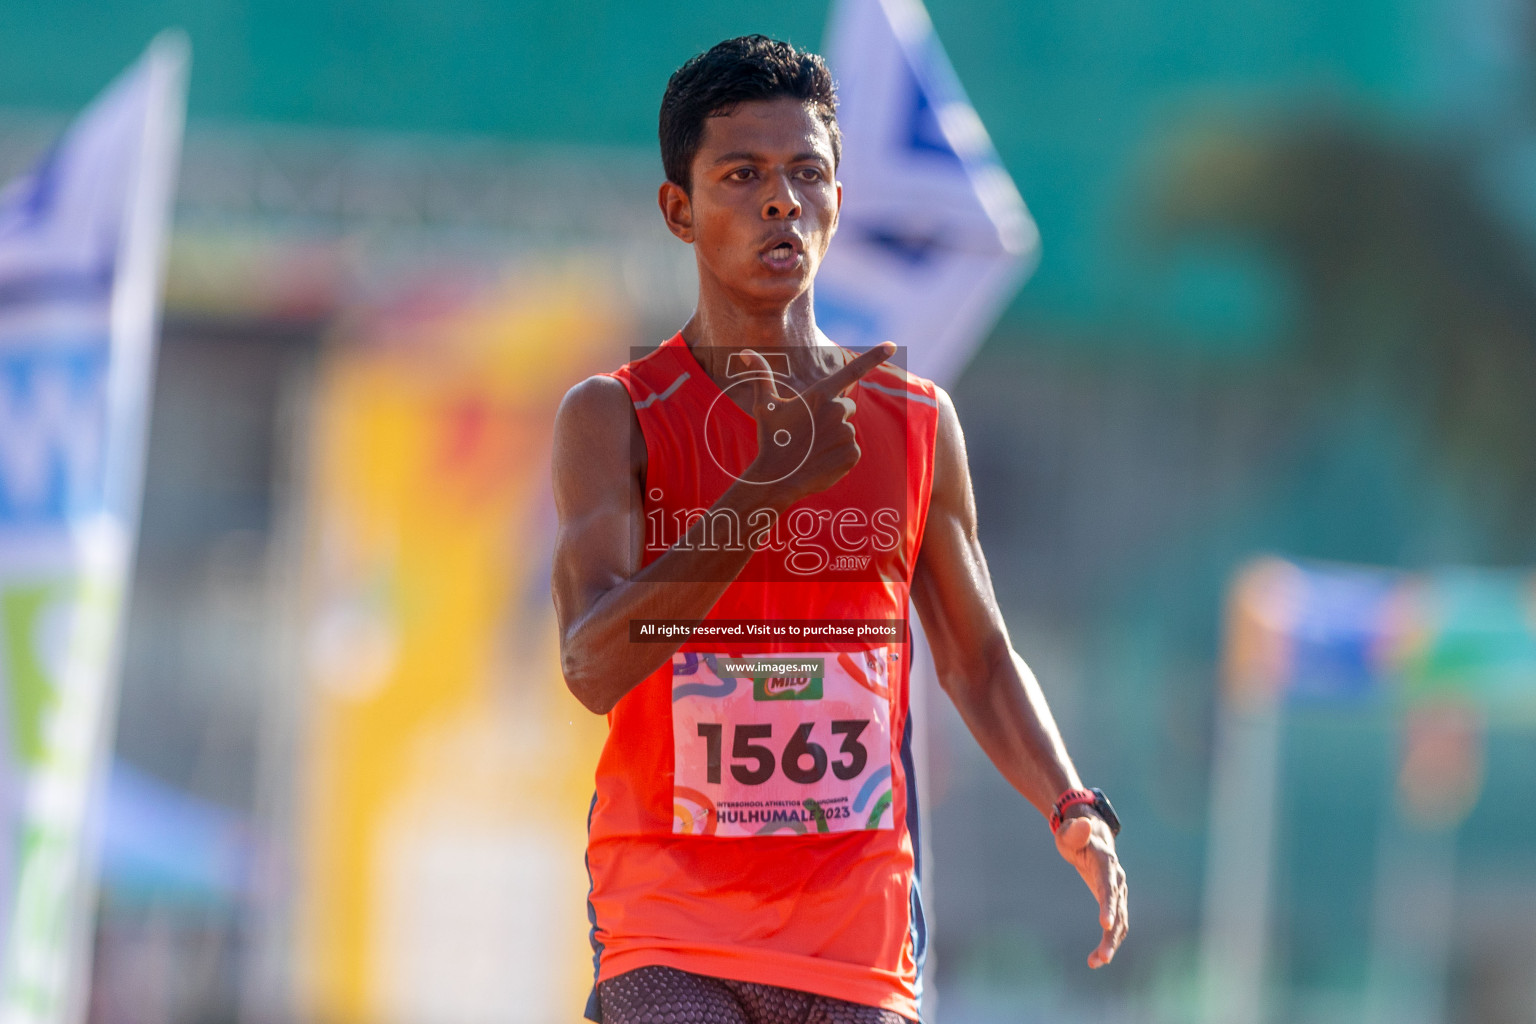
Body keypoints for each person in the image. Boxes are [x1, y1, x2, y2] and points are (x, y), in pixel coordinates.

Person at [551, 34, 1127, 1024]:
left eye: (807, 174)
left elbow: (979, 657)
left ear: (840, 202)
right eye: (743, 175)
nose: (781, 201)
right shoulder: (615, 416)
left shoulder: (914, 421)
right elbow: (593, 665)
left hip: (856, 939)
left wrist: (1072, 805)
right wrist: (762, 493)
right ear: (678, 209)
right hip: (669, 922)